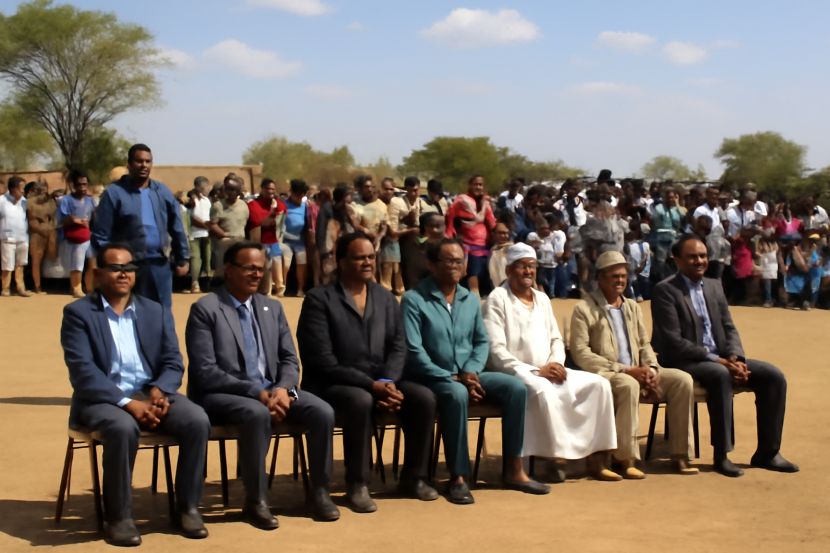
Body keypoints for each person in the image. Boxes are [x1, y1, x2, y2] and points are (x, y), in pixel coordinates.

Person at [61, 243, 210, 545]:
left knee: (196, 419)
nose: (123, 274)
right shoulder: (78, 313)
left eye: (129, 268)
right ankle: (119, 517)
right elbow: (83, 372)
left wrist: (159, 390)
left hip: (151, 393)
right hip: (103, 400)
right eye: (115, 268)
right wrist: (130, 404)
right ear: (98, 273)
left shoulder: (154, 310)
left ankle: (188, 508)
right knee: (121, 427)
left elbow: (173, 360)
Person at [186, 241, 339, 526]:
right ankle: (256, 500)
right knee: (255, 413)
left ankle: (319, 493)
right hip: (223, 394)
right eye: (249, 269)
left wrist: (282, 389)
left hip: (274, 390)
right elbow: (206, 371)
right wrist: (257, 392)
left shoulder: (272, 307)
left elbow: (289, 359)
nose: (257, 274)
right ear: (229, 270)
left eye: (261, 268)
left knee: (322, 412)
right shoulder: (206, 309)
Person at [297, 233, 438, 512]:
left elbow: (400, 346)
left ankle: (414, 477)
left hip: (381, 379)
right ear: (341, 261)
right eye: (359, 257)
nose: (367, 262)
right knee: (359, 400)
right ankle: (358, 483)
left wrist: (387, 381)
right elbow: (322, 360)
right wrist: (372, 386)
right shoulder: (319, 299)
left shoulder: (385, 297)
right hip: (332, 384)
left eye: (371, 256)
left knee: (423, 397)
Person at [402, 238, 549, 504]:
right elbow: (414, 350)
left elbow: (482, 342)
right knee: (456, 394)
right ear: (432, 265)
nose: (456, 266)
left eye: (460, 261)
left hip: (469, 374)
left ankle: (514, 470)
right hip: (433, 377)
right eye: (449, 261)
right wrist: (450, 376)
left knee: (515, 387)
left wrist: (470, 371)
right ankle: (459, 476)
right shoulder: (414, 300)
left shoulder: (469, 299)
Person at [651, 234, 798, 477]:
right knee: (720, 375)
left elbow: (729, 327)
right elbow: (673, 341)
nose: (699, 261)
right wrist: (720, 361)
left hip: (722, 358)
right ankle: (722, 455)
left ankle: (768, 453)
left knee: (773, 376)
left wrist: (736, 358)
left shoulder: (714, 285)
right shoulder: (665, 290)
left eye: (702, 256)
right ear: (676, 259)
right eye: (692, 257)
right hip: (683, 360)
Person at [483, 243, 618, 481]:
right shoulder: (497, 299)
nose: (528, 272)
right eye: (522, 267)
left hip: (551, 369)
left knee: (599, 385)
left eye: (532, 266)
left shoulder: (542, 299)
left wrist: (555, 363)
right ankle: (553, 459)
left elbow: (556, 337)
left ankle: (597, 459)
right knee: (542, 390)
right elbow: (496, 352)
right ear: (509, 271)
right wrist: (537, 370)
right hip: (518, 371)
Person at [570, 250, 698, 478]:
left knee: (682, 380)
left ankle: (680, 454)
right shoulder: (584, 309)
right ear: (600, 278)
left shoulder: (632, 306)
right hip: (606, 373)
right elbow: (581, 353)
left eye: (622, 276)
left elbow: (643, 343)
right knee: (628, 384)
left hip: (639, 370)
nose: (620, 280)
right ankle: (625, 458)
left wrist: (651, 369)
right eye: (613, 276)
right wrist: (627, 369)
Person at [91, 144, 190, 308]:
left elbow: (177, 226)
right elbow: (101, 234)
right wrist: (111, 265)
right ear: (129, 164)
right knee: (130, 311)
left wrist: (183, 258)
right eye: (139, 161)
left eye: (147, 161)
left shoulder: (162, 191)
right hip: (128, 267)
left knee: (162, 313)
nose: (144, 165)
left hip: (159, 264)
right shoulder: (114, 193)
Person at [446, 175, 496, 295]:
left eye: (480, 185)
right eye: (475, 184)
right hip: (467, 246)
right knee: (471, 276)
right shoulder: (462, 200)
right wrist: (450, 235)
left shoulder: (486, 203)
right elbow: (450, 216)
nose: (478, 187)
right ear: (470, 185)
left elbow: (491, 222)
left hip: (485, 246)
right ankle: (475, 301)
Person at [58, 170, 96, 298]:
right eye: (80, 185)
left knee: (92, 263)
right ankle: (76, 289)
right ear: (74, 186)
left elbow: (94, 217)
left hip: (88, 236)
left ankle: (90, 288)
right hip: (74, 237)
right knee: (77, 265)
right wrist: (74, 220)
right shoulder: (66, 200)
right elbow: (60, 220)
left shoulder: (90, 201)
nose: (83, 187)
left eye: (85, 184)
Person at [246, 178, 287, 296]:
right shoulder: (253, 205)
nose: (271, 192)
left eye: (273, 189)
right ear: (262, 189)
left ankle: (279, 290)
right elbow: (260, 222)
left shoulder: (277, 203)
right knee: (265, 266)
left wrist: (275, 212)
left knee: (277, 264)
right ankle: (266, 291)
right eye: (268, 189)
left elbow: (283, 214)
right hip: (260, 242)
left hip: (274, 241)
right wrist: (272, 211)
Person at [208, 173, 249, 278]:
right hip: (224, 241)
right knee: (223, 270)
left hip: (240, 241)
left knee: (240, 270)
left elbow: (246, 222)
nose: (229, 192)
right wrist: (224, 235)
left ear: (237, 192)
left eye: (232, 189)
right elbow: (213, 224)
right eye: (227, 189)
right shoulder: (218, 205)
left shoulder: (243, 205)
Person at [0, 176, 32, 297]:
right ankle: (5, 288)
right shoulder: (1, 201)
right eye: (21, 188)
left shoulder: (24, 201)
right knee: (7, 265)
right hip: (7, 238)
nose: (24, 191)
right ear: (13, 189)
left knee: (20, 264)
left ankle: (20, 288)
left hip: (22, 238)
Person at [26, 181, 57, 294]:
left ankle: (45, 284)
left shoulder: (50, 202)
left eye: (44, 189)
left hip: (50, 232)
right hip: (36, 234)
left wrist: (51, 229)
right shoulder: (29, 203)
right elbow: (32, 222)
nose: (43, 191)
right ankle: (37, 286)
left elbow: (54, 218)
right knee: (36, 260)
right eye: (40, 189)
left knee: (46, 260)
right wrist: (42, 230)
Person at [282, 179, 311, 296]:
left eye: (301, 195)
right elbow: (280, 225)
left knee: (302, 261)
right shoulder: (284, 205)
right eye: (297, 195)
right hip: (285, 240)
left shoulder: (305, 206)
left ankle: (300, 289)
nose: (299, 198)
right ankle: (282, 287)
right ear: (291, 193)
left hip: (300, 241)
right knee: (286, 264)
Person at [378, 177, 406, 295]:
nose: (388, 191)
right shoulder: (378, 203)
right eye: (386, 189)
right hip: (382, 242)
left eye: (391, 189)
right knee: (385, 271)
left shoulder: (397, 203)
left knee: (396, 271)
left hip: (395, 242)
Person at [188, 176, 213, 293]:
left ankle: (206, 282)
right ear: (200, 187)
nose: (208, 188)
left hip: (206, 233)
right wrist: (205, 225)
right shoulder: (193, 199)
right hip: (195, 233)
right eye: (206, 186)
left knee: (207, 259)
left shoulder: (207, 200)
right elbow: (192, 218)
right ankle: (195, 283)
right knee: (196, 259)